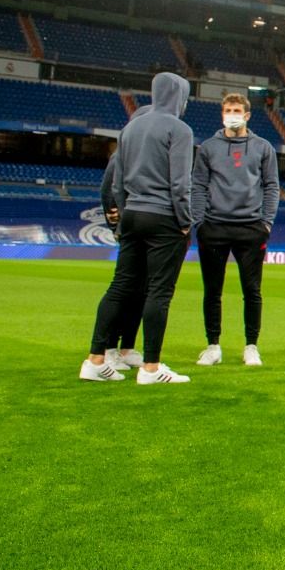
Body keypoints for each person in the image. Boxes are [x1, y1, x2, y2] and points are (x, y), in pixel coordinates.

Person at [80, 72, 194, 384]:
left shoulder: (131, 128)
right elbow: (180, 183)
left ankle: (95, 359)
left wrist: (125, 214)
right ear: (180, 96)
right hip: (163, 217)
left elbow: (116, 182)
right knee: (159, 291)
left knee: (120, 286)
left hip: (131, 215)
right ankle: (151, 368)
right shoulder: (179, 129)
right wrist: (185, 221)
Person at [191, 93, 280, 367]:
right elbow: (197, 186)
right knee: (212, 291)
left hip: (251, 229)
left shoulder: (263, 147)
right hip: (214, 227)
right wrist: (199, 222)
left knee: (252, 291)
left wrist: (266, 223)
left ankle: (251, 346)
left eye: (236, 110)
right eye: (227, 109)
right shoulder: (208, 147)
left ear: (247, 115)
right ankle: (213, 345)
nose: (232, 114)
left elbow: (271, 186)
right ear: (222, 114)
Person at [99, 144, 144, 371]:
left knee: (142, 291)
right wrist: (116, 226)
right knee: (124, 288)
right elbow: (108, 192)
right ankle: (107, 349)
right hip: (130, 230)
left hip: (145, 230)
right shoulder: (122, 155)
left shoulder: (146, 153)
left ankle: (127, 347)